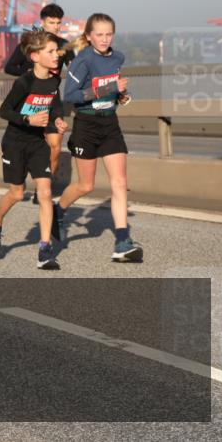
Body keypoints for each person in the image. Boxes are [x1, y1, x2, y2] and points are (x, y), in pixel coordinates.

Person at [56, 13, 143, 263]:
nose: (104, 39)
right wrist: (110, 88)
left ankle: (122, 241)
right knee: (86, 186)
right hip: (86, 125)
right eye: (99, 35)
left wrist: (122, 97)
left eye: (108, 34)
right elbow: (70, 95)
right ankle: (58, 211)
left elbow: (113, 90)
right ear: (89, 36)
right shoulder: (83, 60)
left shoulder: (117, 58)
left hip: (110, 124)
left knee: (120, 182)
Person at [0, 31, 68, 269]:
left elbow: (55, 108)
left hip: (37, 144)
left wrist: (58, 121)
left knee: (45, 193)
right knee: (17, 194)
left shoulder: (54, 82)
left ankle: (45, 249)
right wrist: (28, 120)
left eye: (57, 51)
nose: (57, 55)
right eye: (51, 51)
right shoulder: (24, 82)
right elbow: (4, 111)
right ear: (35, 56)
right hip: (15, 143)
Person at [4, 3, 75, 203]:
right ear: (42, 22)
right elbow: (9, 67)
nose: (56, 26)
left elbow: (74, 70)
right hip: (29, 100)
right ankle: (20, 180)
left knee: (55, 146)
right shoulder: (30, 45)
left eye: (59, 23)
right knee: (27, 143)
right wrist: (29, 73)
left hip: (52, 100)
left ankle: (42, 190)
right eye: (52, 22)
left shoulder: (64, 46)